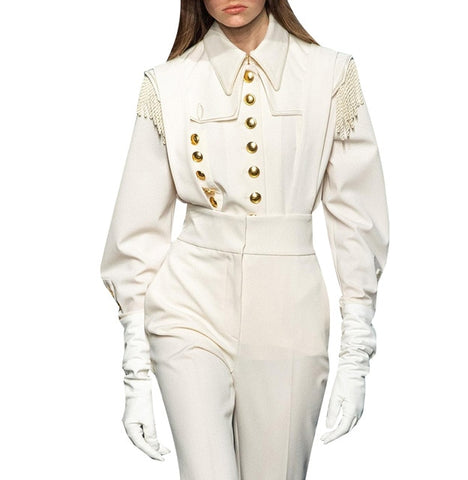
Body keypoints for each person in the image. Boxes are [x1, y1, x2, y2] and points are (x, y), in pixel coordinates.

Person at [100, 0, 390, 478]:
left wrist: (356, 353)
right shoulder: (167, 84)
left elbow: (356, 219)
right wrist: (135, 373)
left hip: (290, 312)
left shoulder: (331, 76)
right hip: (188, 308)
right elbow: (138, 226)